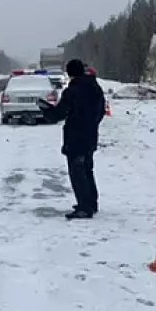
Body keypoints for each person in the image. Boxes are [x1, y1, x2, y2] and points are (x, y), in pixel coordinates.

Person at [37, 59, 105, 219]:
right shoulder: (95, 88)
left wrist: (46, 110)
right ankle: (92, 203)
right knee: (87, 170)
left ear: (69, 73)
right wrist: (92, 124)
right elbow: (100, 111)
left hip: (76, 137)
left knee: (77, 173)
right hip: (90, 135)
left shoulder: (72, 91)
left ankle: (84, 207)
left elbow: (59, 114)